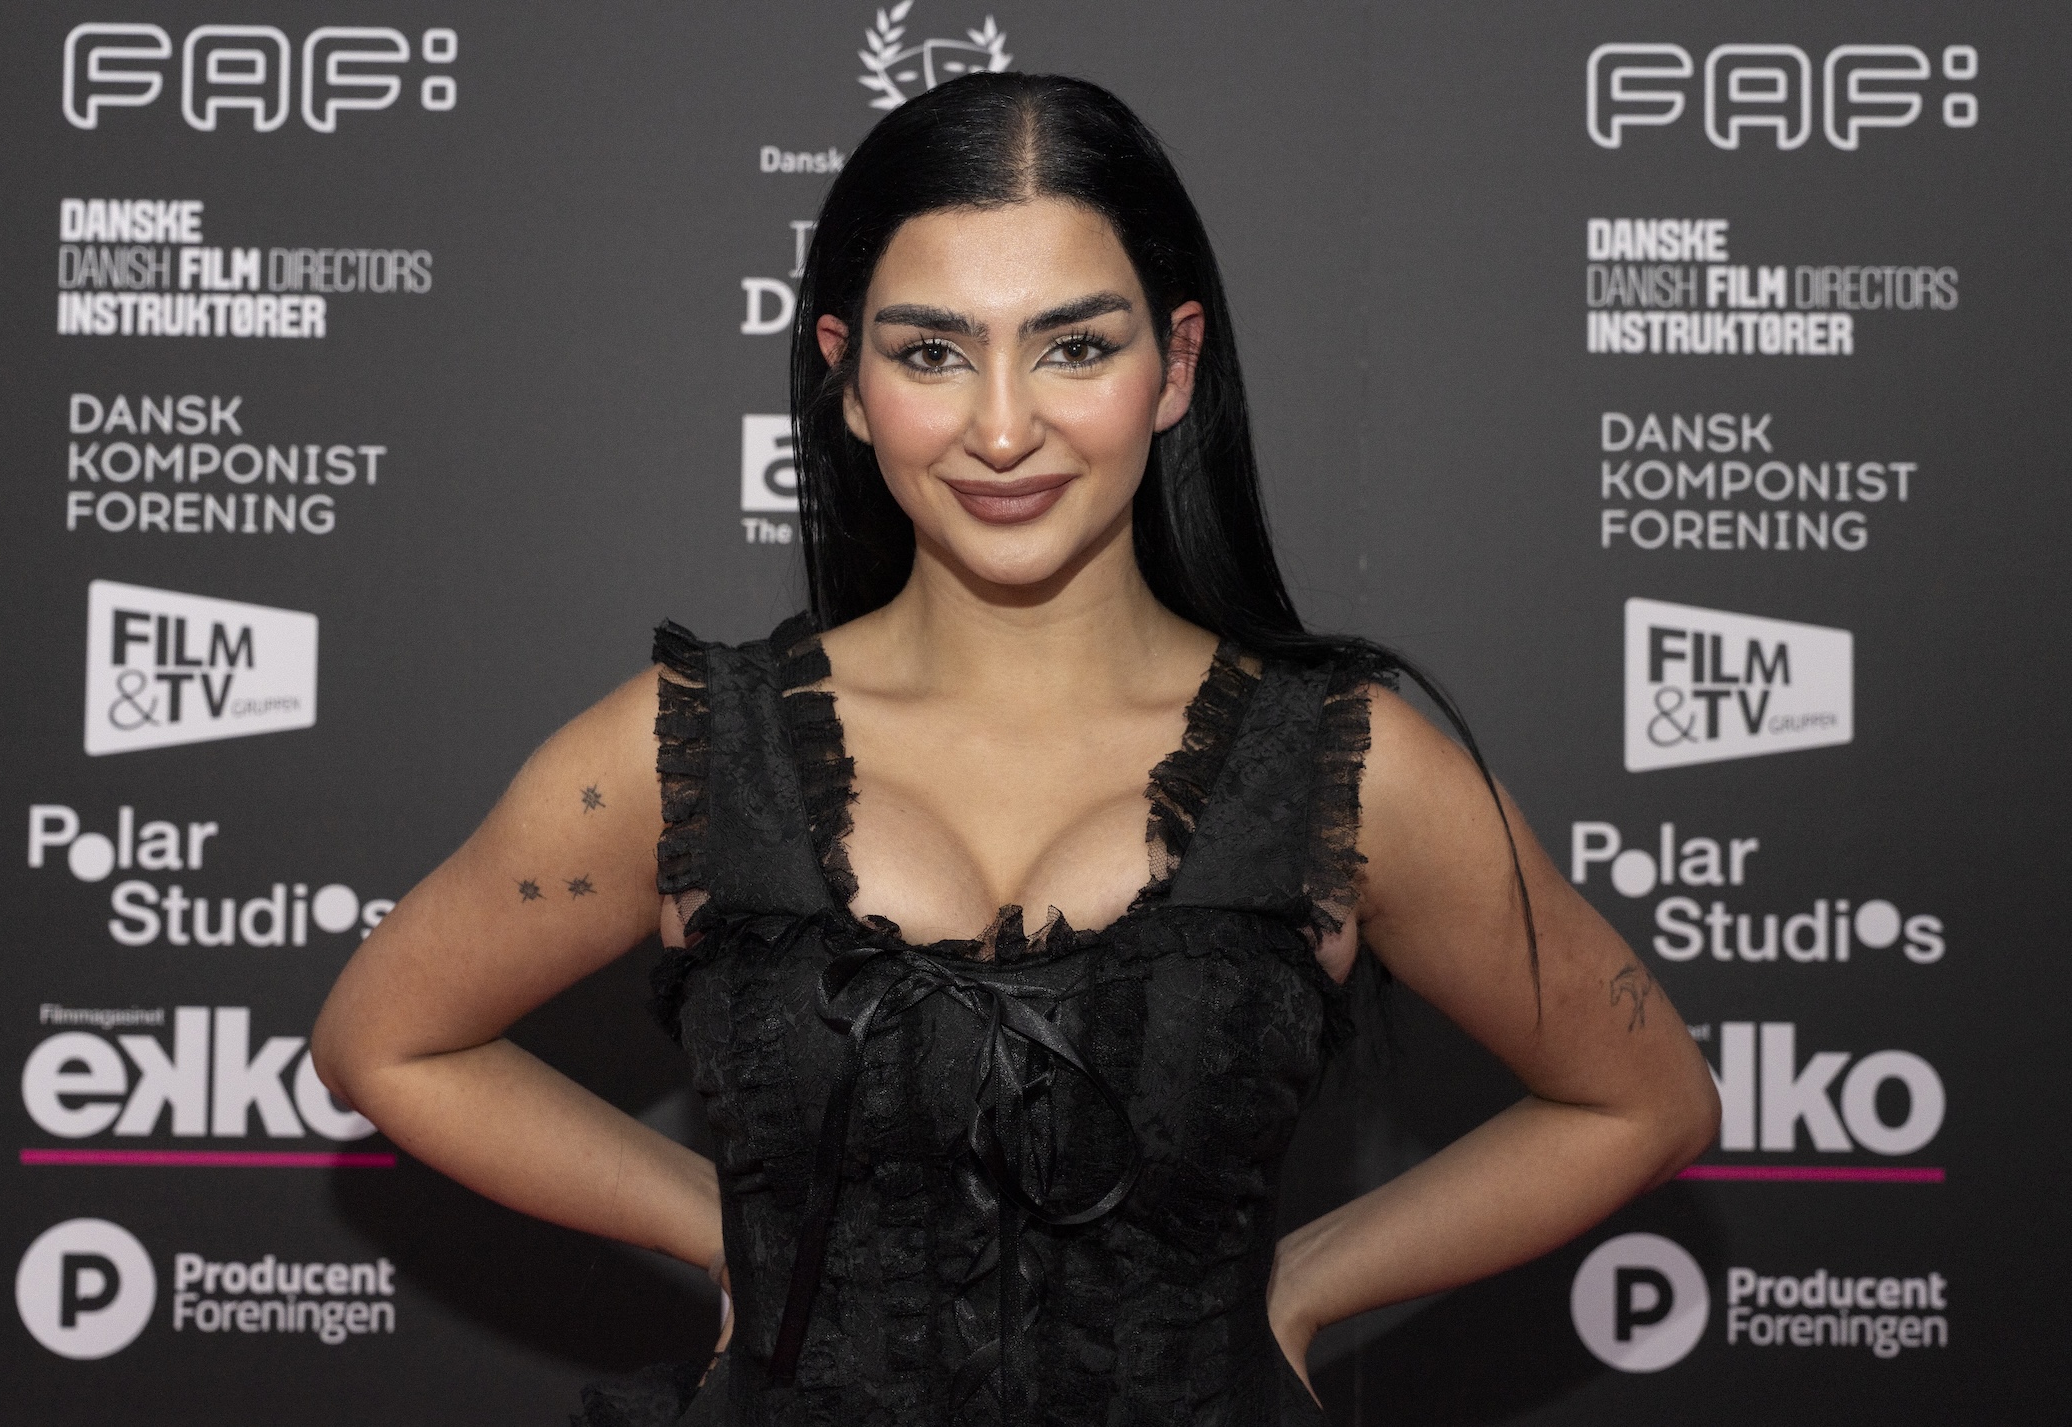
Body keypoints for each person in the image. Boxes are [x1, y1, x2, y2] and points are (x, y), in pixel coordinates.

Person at [312, 72, 1718, 1426]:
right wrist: (729, 1236)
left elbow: (1640, 1100)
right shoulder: (690, 749)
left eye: (1075, 347)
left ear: (1174, 366)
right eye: (931, 352)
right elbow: (389, 1039)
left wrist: (1298, 1288)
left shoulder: (1345, 766)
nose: (1001, 428)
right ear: (846, 379)